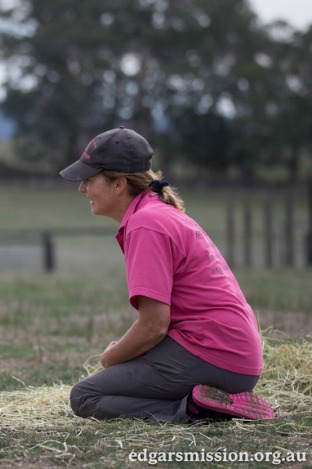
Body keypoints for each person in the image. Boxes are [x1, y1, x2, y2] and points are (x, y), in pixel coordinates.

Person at [59, 127, 274, 424]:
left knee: (85, 396)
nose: (82, 189)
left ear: (119, 184)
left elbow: (154, 326)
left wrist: (111, 356)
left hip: (214, 356)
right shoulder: (159, 213)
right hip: (235, 357)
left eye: (89, 180)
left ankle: (192, 410)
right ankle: (208, 399)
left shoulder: (146, 224)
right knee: (119, 374)